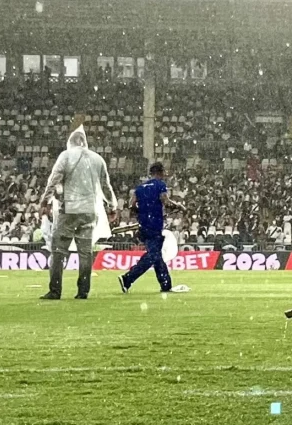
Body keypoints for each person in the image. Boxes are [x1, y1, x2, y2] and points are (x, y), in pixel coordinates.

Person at [40, 126, 115, 300]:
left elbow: (54, 180)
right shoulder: (98, 159)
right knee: (85, 252)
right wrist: (112, 206)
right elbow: (106, 186)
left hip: (69, 209)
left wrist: (45, 201)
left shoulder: (65, 156)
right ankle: (83, 291)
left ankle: (55, 290)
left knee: (58, 251)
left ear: (70, 143)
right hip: (89, 211)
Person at [119, 162, 189, 294]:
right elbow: (166, 201)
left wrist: (142, 213)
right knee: (152, 256)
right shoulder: (160, 184)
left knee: (156, 255)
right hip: (154, 225)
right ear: (160, 172)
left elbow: (131, 205)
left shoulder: (140, 188)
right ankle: (128, 278)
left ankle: (165, 284)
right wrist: (178, 206)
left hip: (144, 226)